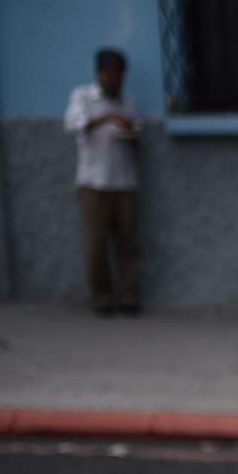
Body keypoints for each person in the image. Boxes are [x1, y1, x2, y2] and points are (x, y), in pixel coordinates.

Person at [63, 47, 142, 317]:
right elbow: (73, 125)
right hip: (94, 181)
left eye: (119, 76)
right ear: (100, 74)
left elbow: (136, 135)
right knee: (96, 243)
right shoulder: (83, 96)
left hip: (125, 180)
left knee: (128, 241)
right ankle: (101, 296)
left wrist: (131, 130)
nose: (116, 80)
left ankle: (128, 294)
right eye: (111, 75)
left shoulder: (127, 101)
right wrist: (107, 117)